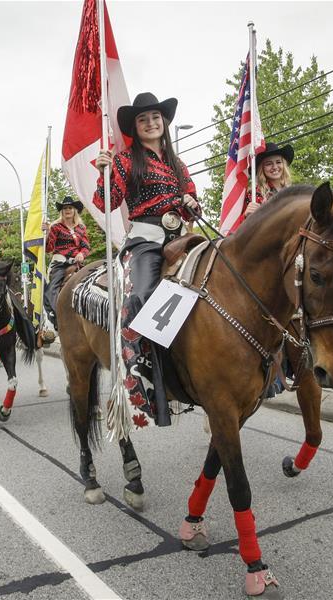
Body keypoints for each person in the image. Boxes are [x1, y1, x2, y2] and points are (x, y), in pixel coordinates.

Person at [94, 92, 198, 426]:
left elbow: (193, 200)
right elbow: (105, 202)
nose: (151, 123)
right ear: (135, 128)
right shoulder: (125, 160)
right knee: (141, 297)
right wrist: (105, 173)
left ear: (163, 122)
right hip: (146, 239)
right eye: (143, 119)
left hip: (182, 235)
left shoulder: (175, 162)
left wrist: (191, 204)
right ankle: (143, 376)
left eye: (155, 117)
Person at [42, 196, 91, 330]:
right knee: (51, 289)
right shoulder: (55, 227)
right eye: (64, 208)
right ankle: (57, 315)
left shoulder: (81, 228)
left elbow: (86, 246)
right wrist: (46, 234)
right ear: (61, 211)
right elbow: (49, 248)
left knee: (91, 281)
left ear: (75, 210)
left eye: (70, 208)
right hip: (60, 263)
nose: (67, 210)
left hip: (76, 263)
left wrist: (82, 254)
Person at [241, 141, 294, 221]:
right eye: (269, 164)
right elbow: (243, 229)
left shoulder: (292, 192)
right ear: (261, 169)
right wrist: (246, 215)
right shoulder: (255, 194)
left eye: (278, 162)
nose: (275, 167)